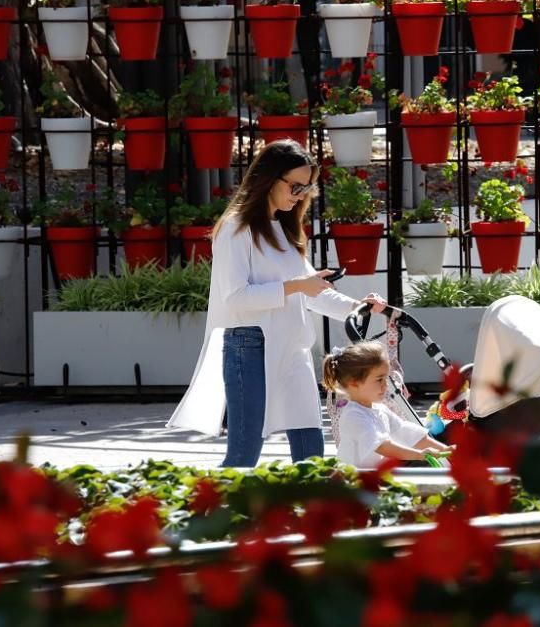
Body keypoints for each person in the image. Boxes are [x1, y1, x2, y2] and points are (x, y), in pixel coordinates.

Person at [167, 140, 386, 467]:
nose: (300, 195)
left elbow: (315, 292)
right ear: (268, 179)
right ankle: (219, 513)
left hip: (292, 348)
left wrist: (360, 307)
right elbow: (237, 297)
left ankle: (305, 514)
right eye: (295, 186)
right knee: (244, 452)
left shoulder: (285, 230)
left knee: (310, 446)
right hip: (249, 346)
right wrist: (298, 285)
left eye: (307, 187)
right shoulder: (235, 229)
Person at [322, 341, 453, 468]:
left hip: (372, 477)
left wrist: (444, 449)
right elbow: (382, 446)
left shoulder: (380, 409)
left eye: (386, 378)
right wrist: (419, 455)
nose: (385, 385)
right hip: (355, 481)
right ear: (354, 383)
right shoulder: (354, 416)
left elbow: (407, 433)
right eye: (379, 379)